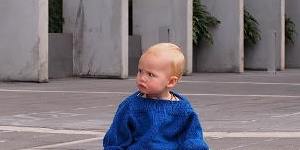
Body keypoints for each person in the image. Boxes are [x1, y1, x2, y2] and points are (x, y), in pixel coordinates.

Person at [103, 43, 209, 150]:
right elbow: (116, 137)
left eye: (150, 74)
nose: (142, 78)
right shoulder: (130, 105)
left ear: (171, 82)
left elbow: (193, 137)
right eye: (140, 71)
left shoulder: (183, 109)